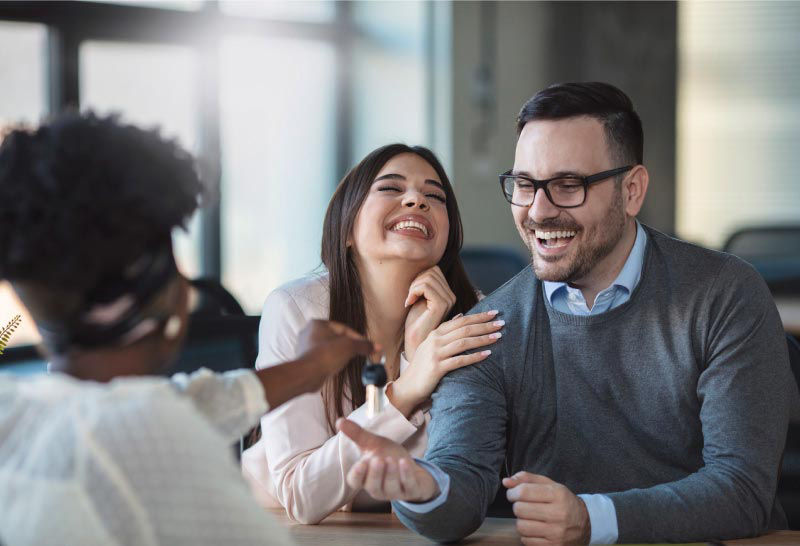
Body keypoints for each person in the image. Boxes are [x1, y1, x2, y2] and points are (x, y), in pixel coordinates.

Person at [337, 82, 796, 544]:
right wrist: (422, 488)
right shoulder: (487, 327)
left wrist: (592, 519)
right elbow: (462, 483)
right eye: (524, 185)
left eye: (567, 185)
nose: (538, 210)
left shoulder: (725, 293)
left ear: (632, 190)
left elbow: (742, 489)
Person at [0, 113, 377, 546]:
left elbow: (185, 405)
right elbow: (157, 423)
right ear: (163, 291)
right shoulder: (151, 441)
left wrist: (307, 368)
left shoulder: (15, 408)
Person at [241, 143, 503, 523]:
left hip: (406, 530)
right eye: (391, 188)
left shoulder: (471, 316)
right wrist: (409, 386)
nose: (416, 200)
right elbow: (302, 495)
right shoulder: (296, 310)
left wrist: (416, 350)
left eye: (434, 195)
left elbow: (457, 474)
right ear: (347, 228)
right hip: (279, 529)